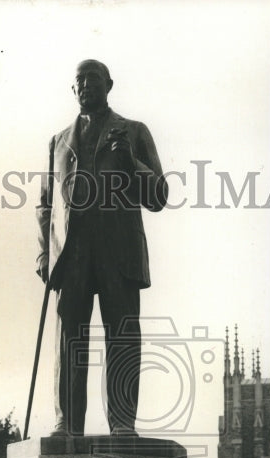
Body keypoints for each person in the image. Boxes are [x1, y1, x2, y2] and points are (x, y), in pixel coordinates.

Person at [36, 59, 168, 437]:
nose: (86, 85)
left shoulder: (134, 132)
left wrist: (129, 161)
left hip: (118, 248)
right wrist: (45, 252)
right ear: (72, 89)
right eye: (80, 80)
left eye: (93, 79)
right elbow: (45, 204)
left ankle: (123, 422)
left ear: (109, 84)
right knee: (69, 338)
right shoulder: (57, 142)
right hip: (72, 251)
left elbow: (159, 195)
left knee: (122, 334)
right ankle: (67, 424)